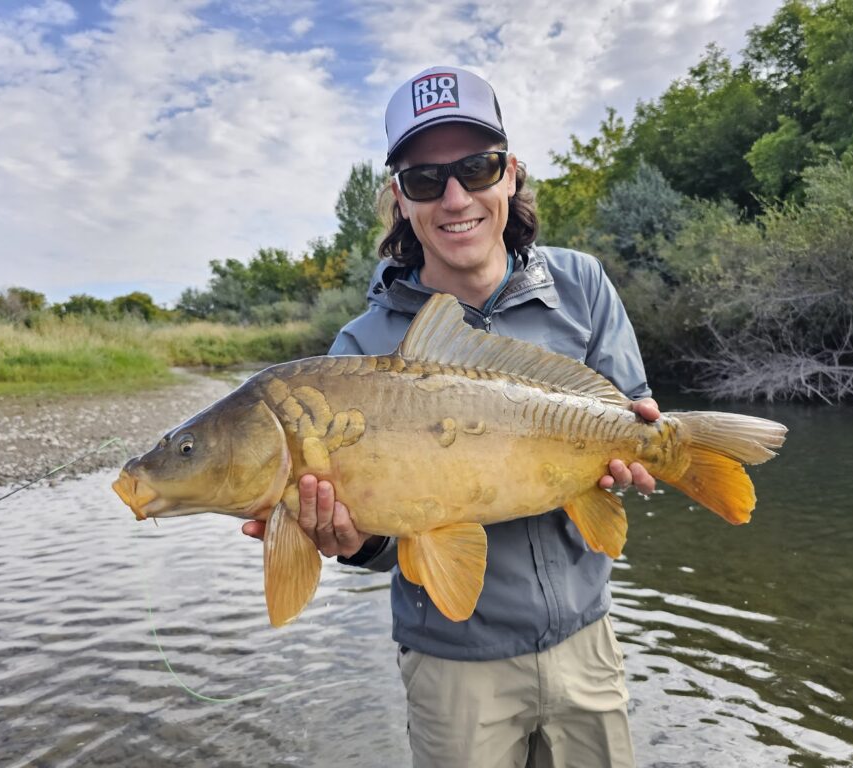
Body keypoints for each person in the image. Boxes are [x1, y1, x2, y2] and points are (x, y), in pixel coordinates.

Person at [244, 65, 659, 768]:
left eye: (477, 166)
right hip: (451, 667)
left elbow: (628, 417)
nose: (457, 196)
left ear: (511, 176)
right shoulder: (356, 354)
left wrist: (637, 453)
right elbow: (374, 544)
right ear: (399, 200)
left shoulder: (582, 285)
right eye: (427, 180)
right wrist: (350, 541)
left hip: (588, 641)